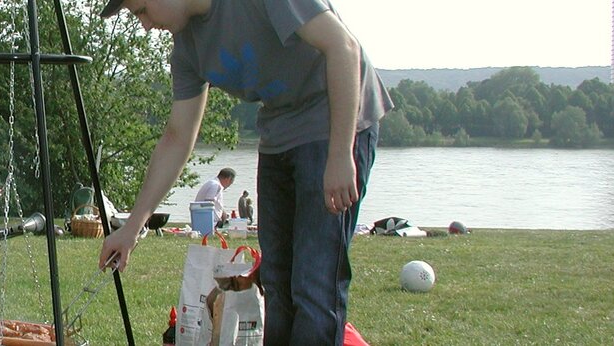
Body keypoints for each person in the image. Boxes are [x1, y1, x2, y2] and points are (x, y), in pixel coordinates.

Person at [95, 0, 393, 344]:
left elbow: (344, 47)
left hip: (335, 121)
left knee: (314, 284)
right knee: (276, 282)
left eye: (142, 10)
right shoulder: (187, 49)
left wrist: (341, 153)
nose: (145, 25)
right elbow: (177, 138)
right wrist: (132, 228)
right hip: (279, 132)